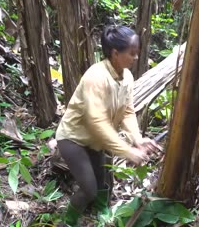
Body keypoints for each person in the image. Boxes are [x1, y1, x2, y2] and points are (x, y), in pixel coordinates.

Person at [55, 25, 161, 226]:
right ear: (115, 53)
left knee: (104, 180)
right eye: (132, 53)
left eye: (136, 53)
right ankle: (67, 222)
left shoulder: (127, 77)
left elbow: (127, 112)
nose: (136, 58)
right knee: (89, 189)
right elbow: (97, 123)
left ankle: (101, 210)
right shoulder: (96, 77)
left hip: (96, 141)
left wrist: (137, 139)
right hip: (73, 139)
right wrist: (128, 152)